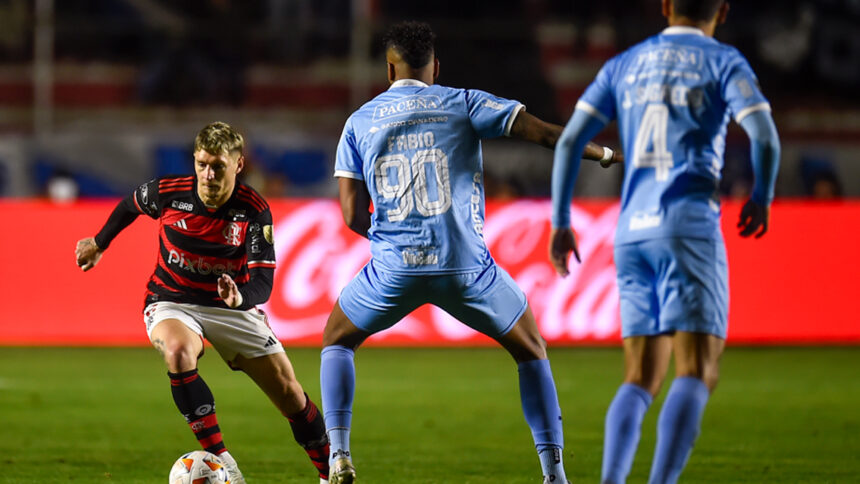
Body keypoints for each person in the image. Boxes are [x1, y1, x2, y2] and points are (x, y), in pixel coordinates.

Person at [319, 21, 621, 484]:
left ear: (388, 68)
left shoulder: (360, 121)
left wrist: (393, 243)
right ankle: (555, 473)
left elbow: (350, 213)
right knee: (531, 351)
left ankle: (337, 455)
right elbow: (541, 134)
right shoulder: (464, 102)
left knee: (337, 339)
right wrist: (603, 154)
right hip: (466, 268)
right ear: (435, 67)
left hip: (395, 267)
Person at [549, 2, 780, 483]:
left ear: (665, 6)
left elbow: (570, 141)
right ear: (722, 9)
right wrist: (761, 196)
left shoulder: (624, 63)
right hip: (688, 228)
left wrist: (561, 221)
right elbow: (765, 137)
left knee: (639, 379)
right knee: (696, 371)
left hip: (632, 233)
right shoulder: (723, 62)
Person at [74, 122, 331, 484]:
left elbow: (263, 283)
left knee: (290, 394)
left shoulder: (253, 210)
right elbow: (128, 205)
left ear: (238, 165)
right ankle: (224, 461)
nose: (208, 175)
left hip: (231, 307)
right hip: (171, 301)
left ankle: (331, 472)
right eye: (201, 164)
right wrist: (99, 244)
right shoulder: (167, 192)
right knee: (178, 351)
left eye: (218, 167)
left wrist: (239, 297)